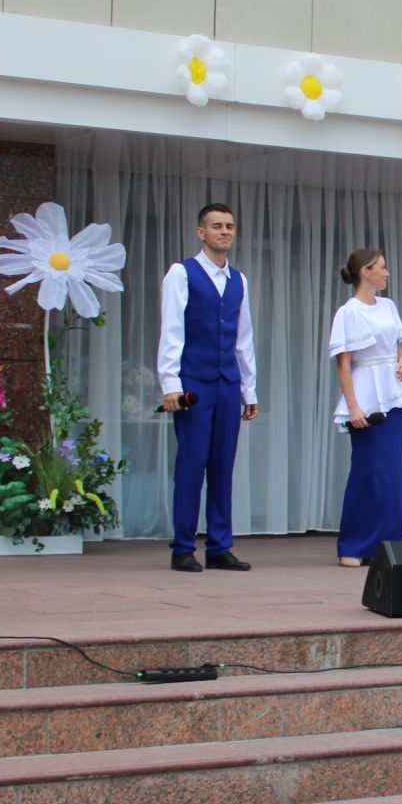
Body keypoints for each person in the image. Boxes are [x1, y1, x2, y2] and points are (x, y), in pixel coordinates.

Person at [157, 202, 260, 572]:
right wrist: (170, 383)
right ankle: (183, 546)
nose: (225, 231)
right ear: (201, 232)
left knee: (222, 466)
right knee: (191, 464)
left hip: (228, 383)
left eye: (230, 226)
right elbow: (172, 331)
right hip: (194, 383)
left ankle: (219, 546)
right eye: (217, 226)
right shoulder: (182, 274)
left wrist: (249, 390)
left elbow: (243, 338)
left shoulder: (239, 280)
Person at [330, 249, 402, 568]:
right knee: (368, 471)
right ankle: (353, 545)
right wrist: (353, 406)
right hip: (367, 395)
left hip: (392, 392)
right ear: (365, 272)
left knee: (392, 473)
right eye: (382, 267)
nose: (387, 272)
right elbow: (343, 364)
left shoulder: (388, 305)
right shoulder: (349, 312)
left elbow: (397, 344)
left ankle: (388, 545)